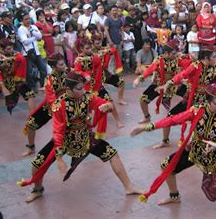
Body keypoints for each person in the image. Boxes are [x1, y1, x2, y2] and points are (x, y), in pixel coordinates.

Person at [131, 84, 216, 219]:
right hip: (196, 150)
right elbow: (174, 119)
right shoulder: (197, 111)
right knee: (166, 166)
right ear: (208, 102)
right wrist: (147, 127)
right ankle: (174, 196)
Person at [17, 72, 142, 203]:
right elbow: (58, 132)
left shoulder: (88, 97)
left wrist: (107, 106)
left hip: (85, 136)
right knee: (37, 163)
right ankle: (37, 189)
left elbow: (105, 104)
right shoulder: (59, 105)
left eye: (83, 87)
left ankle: (129, 187)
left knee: (113, 155)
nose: (83, 91)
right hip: (65, 139)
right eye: (79, 88)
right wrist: (59, 159)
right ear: (69, 89)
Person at [153, 49, 216, 149]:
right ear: (206, 58)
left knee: (215, 121)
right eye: (214, 57)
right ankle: (165, 140)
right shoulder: (195, 66)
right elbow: (183, 74)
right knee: (169, 117)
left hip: (207, 101)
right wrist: (168, 83)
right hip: (191, 98)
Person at [21, 54, 68, 157]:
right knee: (31, 124)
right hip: (53, 107)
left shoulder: (69, 73)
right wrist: (58, 110)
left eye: (63, 63)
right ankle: (31, 147)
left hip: (69, 105)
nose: (64, 65)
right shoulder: (50, 80)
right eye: (61, 64)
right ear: (54, 67)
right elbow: (51, 99)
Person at [0, 39, 36, 119]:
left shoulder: (17, 55)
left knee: (30, 95)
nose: (11, 50)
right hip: (0, 81)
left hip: (15, 80)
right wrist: (3, 88)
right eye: (8, 48)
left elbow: (22, 62)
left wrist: (10, 59)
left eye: (12, 47)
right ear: (2, 49)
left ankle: (34, 116)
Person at [132, 40, 189, 123]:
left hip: (174, 85)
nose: (175, 55)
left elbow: (188, 65)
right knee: (143, 100)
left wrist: (190, 58)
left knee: (190, 96)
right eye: (173, 53)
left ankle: (189, 115)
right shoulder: (159, 60)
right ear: (166, 53)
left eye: (176, 53)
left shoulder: (177, 59)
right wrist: (138, 79)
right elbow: (149, 70)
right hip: (159, 85)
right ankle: (147, 117)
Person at [18, 12, 47, 91]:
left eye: (29, 18)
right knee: (29, 72)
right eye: (26, 19)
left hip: (37, 52)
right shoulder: (21, 29)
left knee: (43, 69)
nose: (28, 21)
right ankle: (32, 86)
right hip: (27, 53)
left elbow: (40, 36)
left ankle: (43, 84)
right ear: (22, 21)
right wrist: (35, 37)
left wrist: (33, 32)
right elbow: (25, 41)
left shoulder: (33, 27)